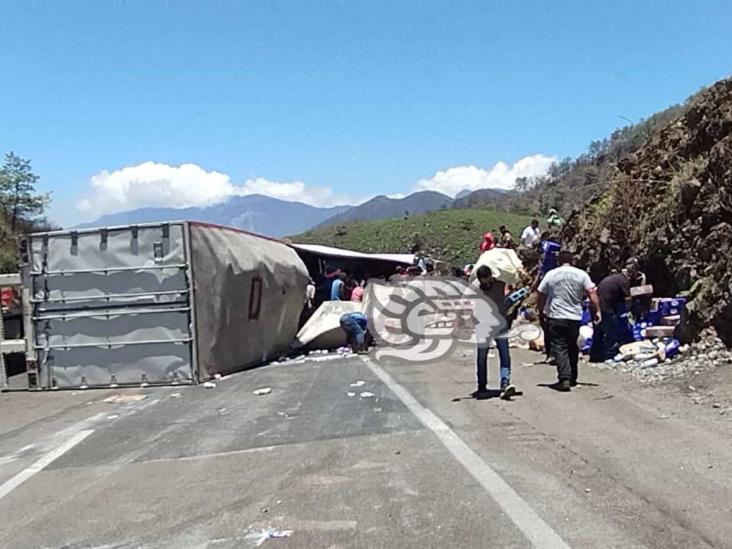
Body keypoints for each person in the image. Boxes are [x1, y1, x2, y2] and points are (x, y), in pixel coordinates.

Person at [537, 251, 601, 391]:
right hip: (575, 317)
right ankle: (572, 377)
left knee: (559, 346)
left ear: (559, 261)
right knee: (572, 345)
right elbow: (592, 292)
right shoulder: (581, 274)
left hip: (557, 315)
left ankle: (564, 378)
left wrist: (540, 310)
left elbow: (541, 293)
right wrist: (597, 311)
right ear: (572, 261)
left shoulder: (551, 274)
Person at [473, 265, 516, 399]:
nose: (484, 282)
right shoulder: (477, 288)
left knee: (504, 354)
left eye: (485, 279)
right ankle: (482, 385)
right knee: (482, 356)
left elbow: (512, 286)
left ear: (490, 276)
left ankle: (505, 383)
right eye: (482, 280)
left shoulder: (500, 284)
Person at [591, 269, 631, 362]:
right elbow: (628, 298)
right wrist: (629, 310)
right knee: (610, 331)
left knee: (598, 332)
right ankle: (609, 355)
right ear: (629, 275)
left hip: (596, 307)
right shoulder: (623, 280)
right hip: (606, 308)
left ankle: (595, 355)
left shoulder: (611, 279)